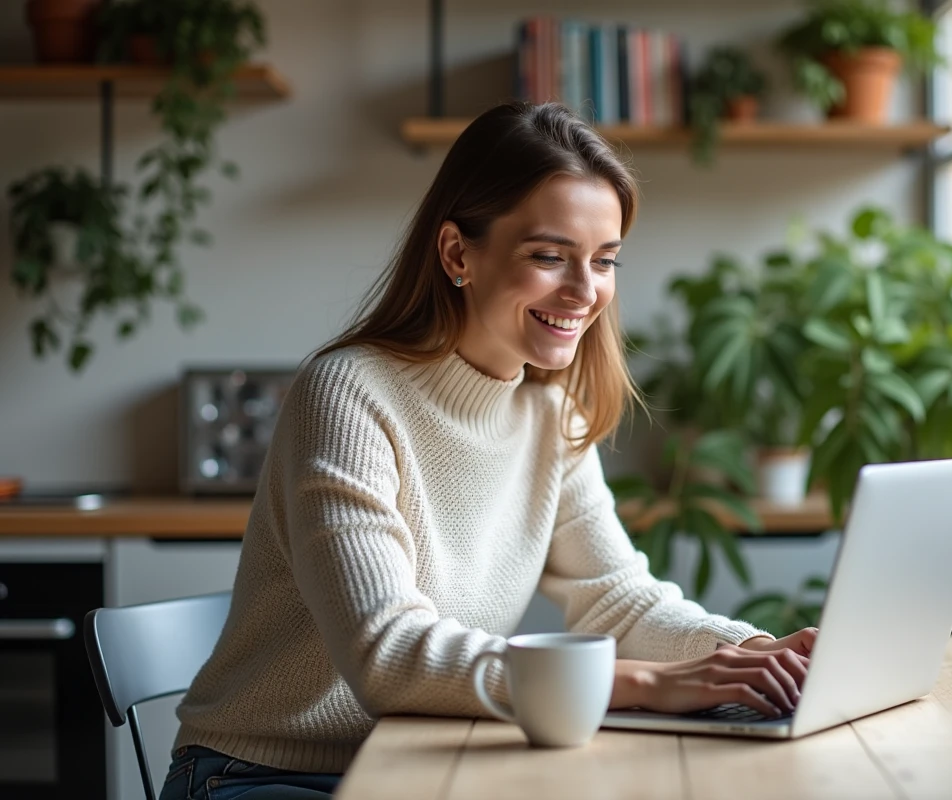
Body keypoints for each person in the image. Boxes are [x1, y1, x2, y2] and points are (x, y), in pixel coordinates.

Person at [160, 101, 819, 800]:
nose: (585, 291)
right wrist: (646, 685)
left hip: (418, 766)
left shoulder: (547, 412)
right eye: (548, 256)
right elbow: (386, 652)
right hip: (262, 774)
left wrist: (753, 653)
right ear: (457, 254)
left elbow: (618, 602)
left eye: (603, 260)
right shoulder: (349, 395)